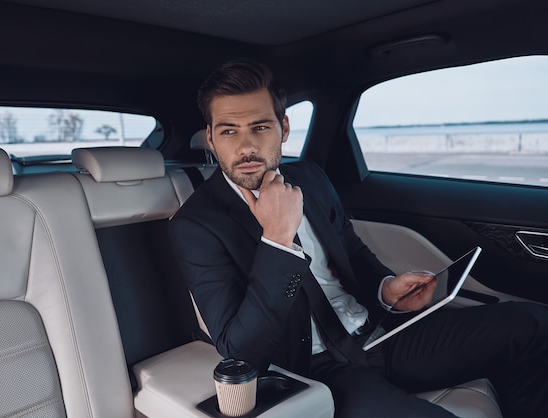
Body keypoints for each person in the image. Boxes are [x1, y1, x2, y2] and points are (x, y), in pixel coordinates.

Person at [169, 58, 548, 417]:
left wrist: (386, 289)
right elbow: (242, 353)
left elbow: (351, 250)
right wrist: (277, 240)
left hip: (378, 335)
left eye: (260, 127)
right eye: (229, 131)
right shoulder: (196, 225)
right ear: (211, 138)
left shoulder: (311, 178)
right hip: (317, 370)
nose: (246, 146)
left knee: (532, 323)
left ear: (283, 128)